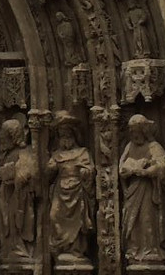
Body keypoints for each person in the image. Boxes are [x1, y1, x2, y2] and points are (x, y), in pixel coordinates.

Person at [119, 114, 165, 264]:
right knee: (132, 222)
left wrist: (146, 172)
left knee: (147, 219)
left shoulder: (154, 147)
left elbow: (162, 166)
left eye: (137, 132)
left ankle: (150, 249)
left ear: (144, 132)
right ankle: (133, 250)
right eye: (132, 133)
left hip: (148, 189)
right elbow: (121, 166)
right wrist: (127, 170)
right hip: (132, 190)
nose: (135, 136)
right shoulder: (129, 146)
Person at [47, 111, 94, 261]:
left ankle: (76, 250)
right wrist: (51, 168)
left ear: (74, 135)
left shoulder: (82, 153)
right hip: (60, 190)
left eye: (68, 134)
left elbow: (90, 169)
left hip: (77, 190)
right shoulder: (56, 155)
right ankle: (62, 248)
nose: (65, 138)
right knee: (54, 216)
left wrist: (85, 172)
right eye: (62, 135)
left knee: (78, 220)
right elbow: (46, 177)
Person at [0, 118, 39, 265]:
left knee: (15, 222)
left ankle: (18, 249)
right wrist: (3, 172)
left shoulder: (24, 152)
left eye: (5, 135)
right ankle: (9, 249)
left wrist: (13, 173)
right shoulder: (8, 154)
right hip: (6, 195)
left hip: (18, 196)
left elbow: (26, 174)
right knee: (4, 222)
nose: (2, 138)